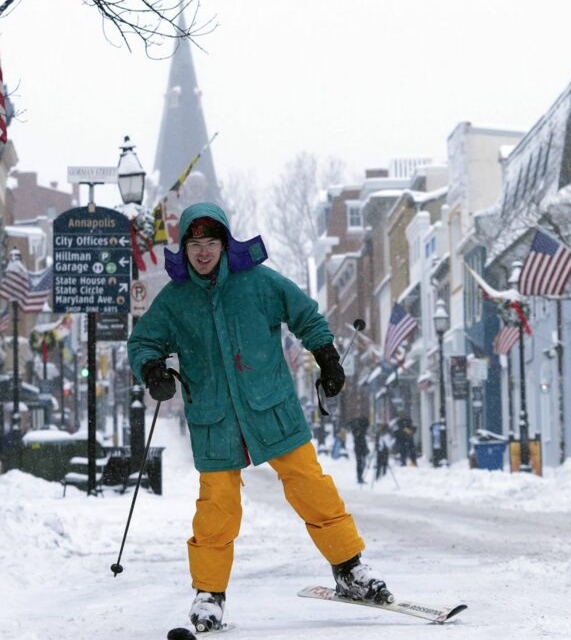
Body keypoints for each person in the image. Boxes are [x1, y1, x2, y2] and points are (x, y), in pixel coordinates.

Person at [128, 202, 393, 632]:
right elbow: (142, 342)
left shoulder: (258, 283)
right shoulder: (175, 301)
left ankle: (349, 569)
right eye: (195, 243)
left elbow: (304, 313)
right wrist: (153, 369)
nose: (204, 251)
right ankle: (209, 594)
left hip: (271, 405)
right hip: (213, 418)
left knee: (310, 484)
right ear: (185, 247)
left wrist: (326, 355)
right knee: (217, 504)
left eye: (211, 242)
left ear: (225, 243)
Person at [351, 417, 370, 484]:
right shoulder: (359, 430)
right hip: (359, 449)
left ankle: (360, 477)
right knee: (360, 463)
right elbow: (360, 440)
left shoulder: (361, 430)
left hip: (360, 449)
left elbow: (362, 441)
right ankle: (359, 478)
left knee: (361, 463)